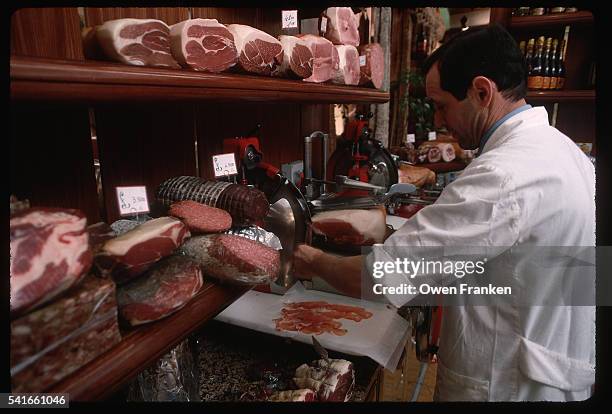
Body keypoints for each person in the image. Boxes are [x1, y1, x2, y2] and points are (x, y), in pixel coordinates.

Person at [293, 23, 595, 401]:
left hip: (506, 383)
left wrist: (310, 259)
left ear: (482, 92)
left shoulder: (504, 175)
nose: (437, 121)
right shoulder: (564, 150)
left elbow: (382, 277)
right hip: (552, 367)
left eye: (441, 106)